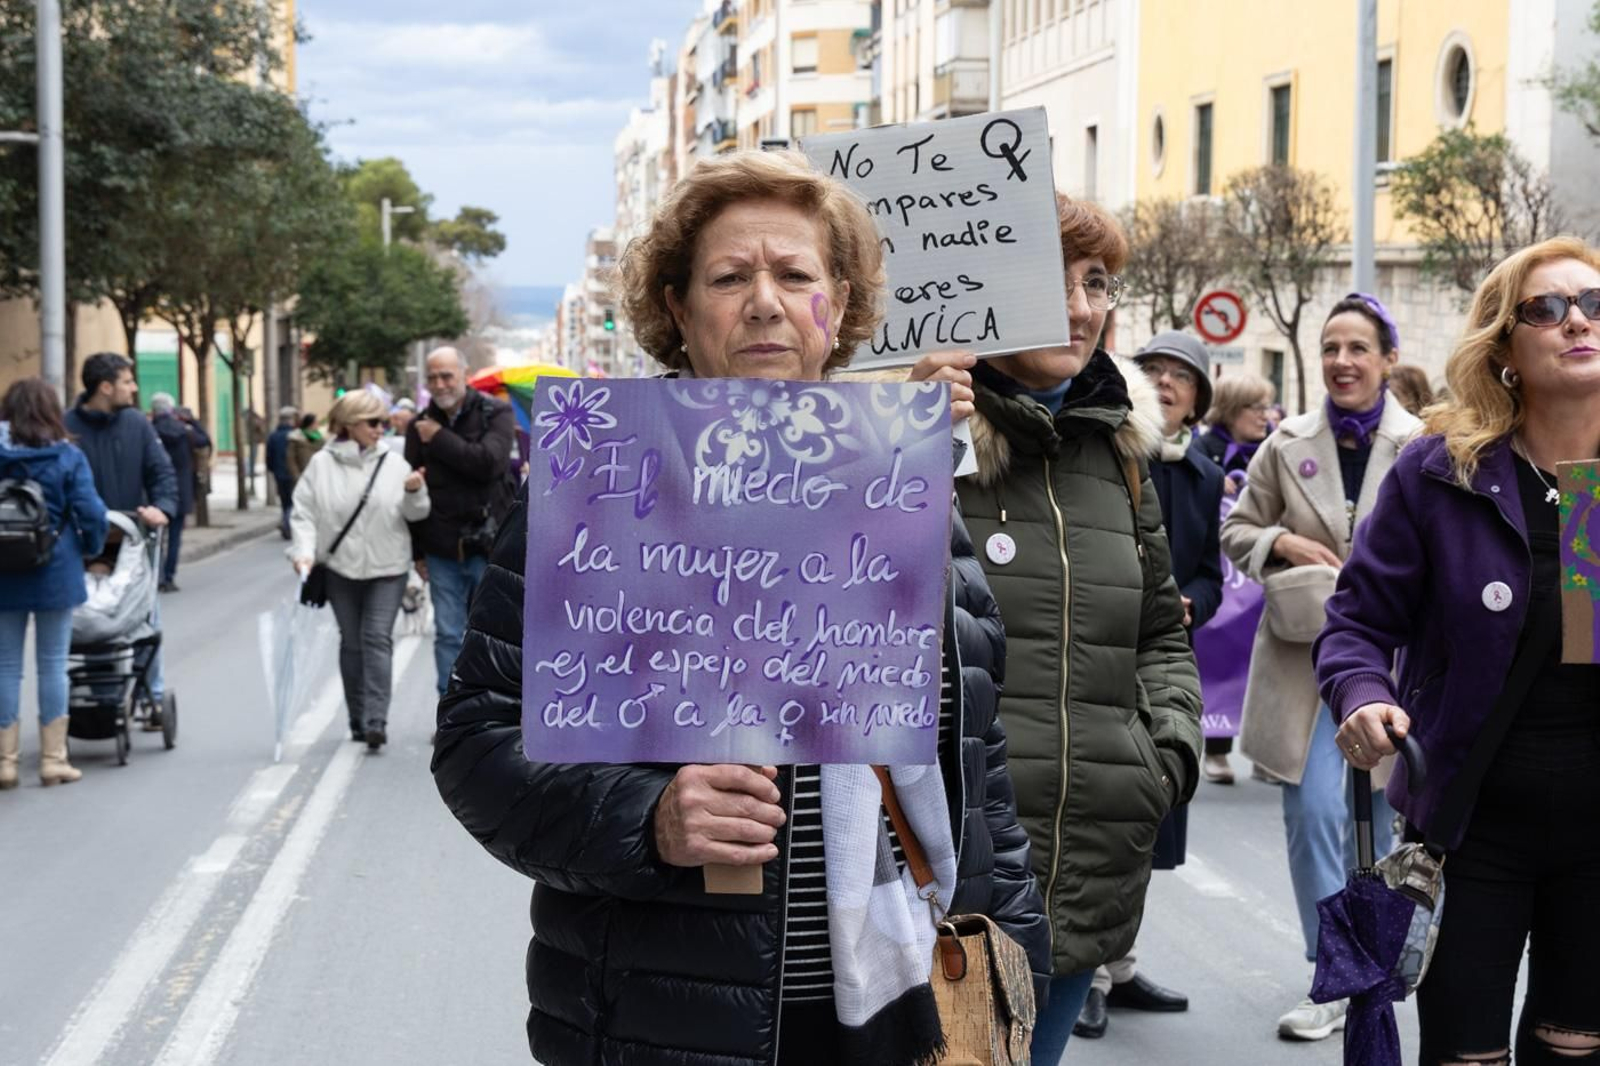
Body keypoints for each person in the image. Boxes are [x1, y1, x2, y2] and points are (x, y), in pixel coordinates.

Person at [430, 149, 1049, 1066]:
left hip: (897, 1010)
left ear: (836, 306)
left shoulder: (901, 489)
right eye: (729, 276)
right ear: (678, 310)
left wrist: (1014, 955)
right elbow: (479, 744)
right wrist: (649, 820)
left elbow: (973, 759)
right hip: (661, 1025)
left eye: (796, 274)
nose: (765, 299)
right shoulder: (602, 486)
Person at [1316, 237, 1600, 1065]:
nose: (1576, 320)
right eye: (1545, 309)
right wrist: (1363, 694)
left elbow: (1583, 636)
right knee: (1464, 1054)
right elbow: (1358, 623)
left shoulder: (1591, 491)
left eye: (1593, 303)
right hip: (1471, 826)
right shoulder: (1444, 474)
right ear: (1504, 349)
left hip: (1596, 836)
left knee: (1574, 1049)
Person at [955, 195, 1203, 1063]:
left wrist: (1159, 757)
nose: (1079, 305)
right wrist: (908, 436)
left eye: (1095, 281)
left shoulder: (1123, 455)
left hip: (1089, 862)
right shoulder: (918, 433)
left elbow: (1159, 636)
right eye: (1049, 276)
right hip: (942, 877)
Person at [1219, 293, 1422, 1041]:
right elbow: (1238, 527)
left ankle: (1374, 960)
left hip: (1392, 667)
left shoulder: (1424, 445)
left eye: (1358, 348)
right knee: (1313, 815)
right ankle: (1332, 972)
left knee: (1378, 818)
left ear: (1387, 360)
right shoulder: (1285, 442)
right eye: (1331, 347)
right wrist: (1281, 542)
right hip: (1306, 662)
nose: (1341, 361)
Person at [1067, 330, 1222, 1042]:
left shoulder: (1205, 474)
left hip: (1162, 662)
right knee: (1105, 817)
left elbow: (1208, 574)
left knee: (1148, 831)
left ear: (1199, 397)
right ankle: (1090, 974)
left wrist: (1192, 601)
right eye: (1151, 370)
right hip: (1105, 658)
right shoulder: (1113, 447)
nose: (1163, 384)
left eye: (1179, 376)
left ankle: (1118, 965)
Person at [289, 390, 429, 750]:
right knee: (352, 644)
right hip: (340, 569)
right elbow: (303, 513)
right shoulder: (321, 464)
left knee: (377, 639)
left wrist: (415, 492)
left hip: (389, 568)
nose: (380, 429)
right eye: (372, 422)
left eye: (383, 422)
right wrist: (303, 553)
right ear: (349, 425)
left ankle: (376, 721)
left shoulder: (395, 464)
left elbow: (417, 514)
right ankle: (357, 716)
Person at [0, 379, 108, 788]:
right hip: (55, 567)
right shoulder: (67, 456)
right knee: (52, 664)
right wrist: (92, 548)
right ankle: (52, 760)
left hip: (3, 570)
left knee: (6, 666)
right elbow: (91, 512)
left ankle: (5, 763)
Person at [64, 353, 178, 717]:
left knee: (145, 618)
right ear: (105, 387)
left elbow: (162, 474)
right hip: (84, 546)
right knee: (92, 622)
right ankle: (101, 699)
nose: (134, 388)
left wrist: (162, 507)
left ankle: (151, 694)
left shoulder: (138, 425)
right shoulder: (67, 428)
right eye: (128, 381)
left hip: (132, 541)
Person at [403, 346, 515, 699]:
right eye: (432, 377)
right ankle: (449, 716)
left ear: (463, 375)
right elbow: (411, 494)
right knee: (449, 634)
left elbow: (489, 463)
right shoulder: (417, 424)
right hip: (441, 547)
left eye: (446, 375)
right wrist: (416, 552)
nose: (439, 384)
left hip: (489, 546)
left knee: (489, 634)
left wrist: (438, 437)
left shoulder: (495, 412)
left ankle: (486, 711)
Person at [1195, 371, 1277, 785]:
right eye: (1255, 407)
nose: (1265, 416)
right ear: (1230, 410)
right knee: (1220, 653)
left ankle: (1268, 751)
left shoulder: (1273, 450)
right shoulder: (1204, 451)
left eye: (1268, 406)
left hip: (1262, 573)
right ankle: (1217, 748)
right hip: (1222, 572)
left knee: (1265, 660)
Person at [148, 393, 211, 592]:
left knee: (153, 538)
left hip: (155, 492)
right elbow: (205, 440)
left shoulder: (149, 431)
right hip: (180, 491)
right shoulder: (185, 430)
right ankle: (169, 577)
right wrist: (193, 420)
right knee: (174, 537)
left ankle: (155, 577)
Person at [266, 406, 297, 539]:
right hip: (293, 473)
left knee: (285, 502)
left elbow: (269, 456)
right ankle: (287, 523)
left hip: (279, 473)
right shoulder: (295, 435)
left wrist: (273, 469)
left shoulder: (273, 436)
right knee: (293, 501)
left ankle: (286, 521)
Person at [286, 412, 323, 483]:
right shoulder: (296, 438)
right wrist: (296, 476)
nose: (318, 424)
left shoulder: (320, 438)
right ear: (310, 424)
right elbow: (290, 459)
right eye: (316, 422)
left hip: (318, 476)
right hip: (302, 475)